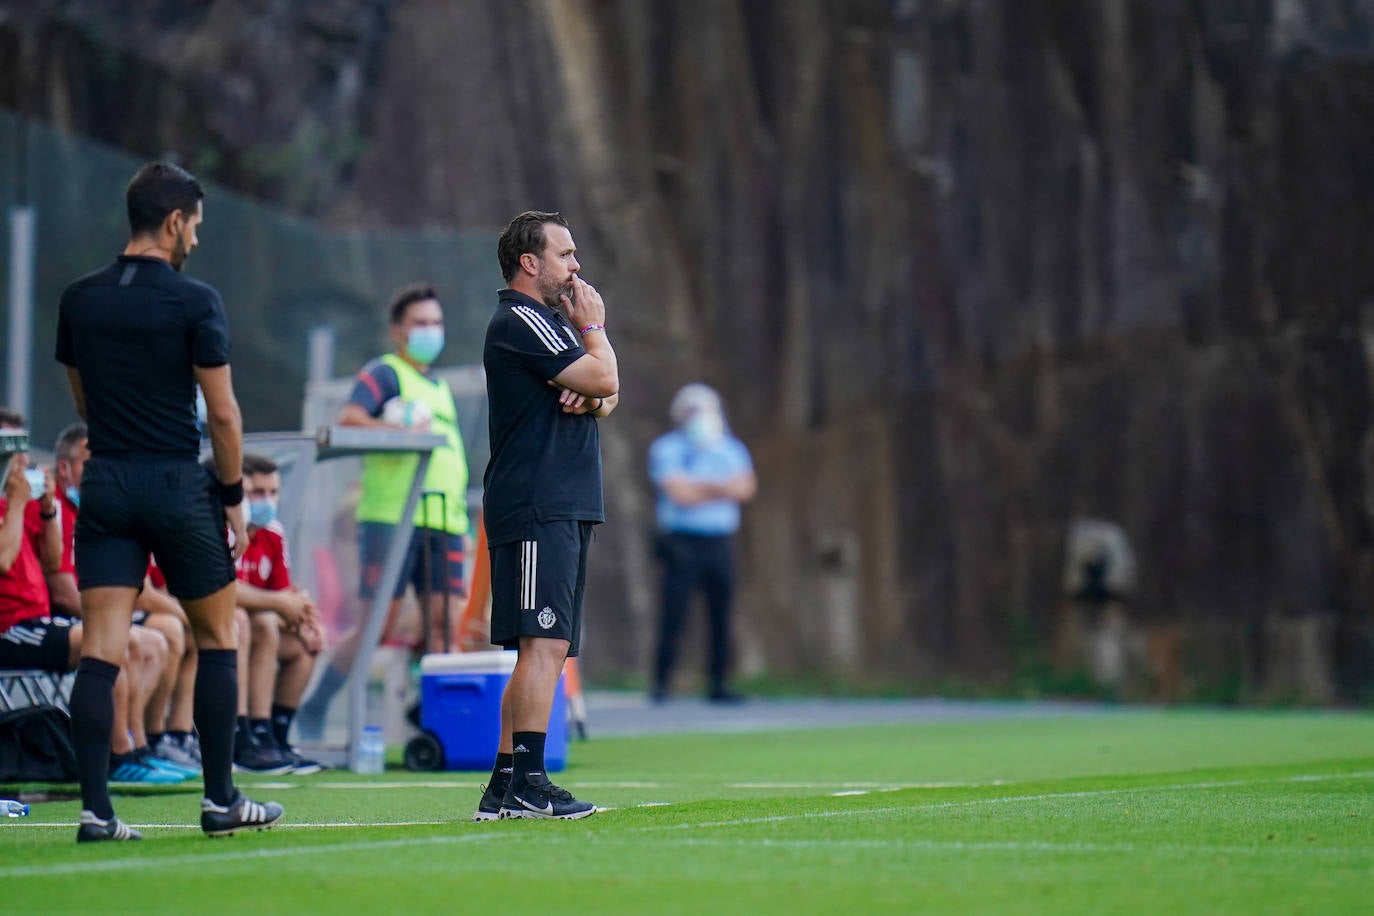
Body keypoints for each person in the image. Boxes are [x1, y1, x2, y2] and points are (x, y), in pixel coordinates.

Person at [54, 161, 283, 841]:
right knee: (218, 639)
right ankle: (220, 802)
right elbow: (224, 417)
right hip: (178, 484)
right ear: (177, 221)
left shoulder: (78, 298)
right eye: (197, 226)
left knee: (99, 652)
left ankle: (96, 813)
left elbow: (82, 400)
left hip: (108, 483)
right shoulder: (195, 301)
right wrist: (233, 499)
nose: (197, 240)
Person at [472, 211, 618, 822]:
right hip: (537, 504)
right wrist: (596, 331)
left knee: (546, 648)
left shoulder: (546, 324)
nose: (576, 267)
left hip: (557, 503)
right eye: (566, 255)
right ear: (530, 263)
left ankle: (505, 787)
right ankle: (531, 784)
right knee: (543, 644)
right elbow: (605, 374)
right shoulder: (521, 319)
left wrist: (594, 389)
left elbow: (605, 395)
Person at [297, 282, 469, 738]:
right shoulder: (386, 373)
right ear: (398, 331)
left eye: (436, 322)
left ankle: (438, 726)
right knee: (379, 622)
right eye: (420, 324)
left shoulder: (441, 386)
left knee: (446, 624)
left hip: (444, 519)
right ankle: (317, 706)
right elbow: (350, 418)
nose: (430, 331)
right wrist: (397, 430)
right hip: (392, 516)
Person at [49, 421, 201, 775]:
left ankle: (147, 742)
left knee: (164, 637)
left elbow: (142, 585)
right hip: (62, 617)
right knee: (125, 640)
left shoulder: (111, 504)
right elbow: (63, 592)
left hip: (104, 610)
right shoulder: (53, 511)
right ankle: (120, 752)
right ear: (64, 468)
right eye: (92, 464)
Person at [648, 384, 756, 703]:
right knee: (674, 612)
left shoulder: (731, 448)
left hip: (719, 541)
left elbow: (745, 488)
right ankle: (662, 682)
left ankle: (719, 683)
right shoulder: (667, 449)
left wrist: (701, 489)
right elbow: (680, 494)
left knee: (721, 613)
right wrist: (720, 488)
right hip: (681, 542)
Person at [230, 453, 325, 774]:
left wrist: (303, 618)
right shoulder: (222, 526)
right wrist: (281, 606)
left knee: (304, 643)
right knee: (260, 623)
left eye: (273, 492)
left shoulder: (272, 531)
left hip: (250, 630)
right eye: (257, 493)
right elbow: (221, 589)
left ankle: (277, 739)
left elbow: (282, 592)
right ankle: (248, 735)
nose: (266, 501)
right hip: (221, 630)